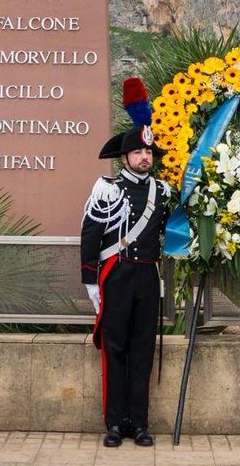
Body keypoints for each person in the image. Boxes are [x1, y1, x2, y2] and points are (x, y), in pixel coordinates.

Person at [81, 77, 171, 449]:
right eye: (137, 153)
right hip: (116, 276)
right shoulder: (108, 189)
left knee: (143, 348)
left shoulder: (164, 192)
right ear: (125, 157)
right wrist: (91, 283)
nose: (144, 157)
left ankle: (140, 422)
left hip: (147, 277)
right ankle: (115, 423)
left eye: (148, 152)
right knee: (115, 349)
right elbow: (90, 235)